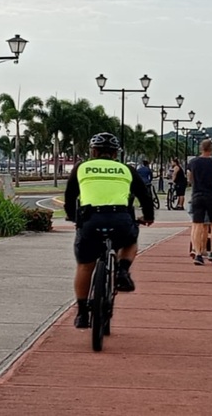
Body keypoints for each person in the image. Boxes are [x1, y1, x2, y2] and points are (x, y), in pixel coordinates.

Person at [64, 132, 154, 329]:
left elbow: (70, 196)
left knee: (85, 265)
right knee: (130, 241)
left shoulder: (81, 168)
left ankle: (81, 313)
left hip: (90, 221)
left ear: (93, 152)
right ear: (115, 154)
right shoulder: (126, 169)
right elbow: (145, 197)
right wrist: (148, 217)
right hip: (121, 219)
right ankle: (122, 270)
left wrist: (72, 217)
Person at [187, 140, 212, 265]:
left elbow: (190, 179)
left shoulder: (193, 163)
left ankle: (198, 253)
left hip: (197, 195)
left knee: (197, 225)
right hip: (211, 196)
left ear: (200, 148)